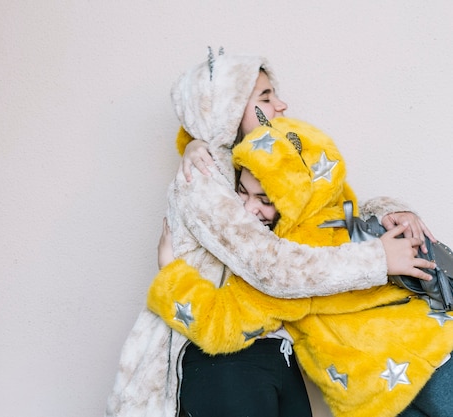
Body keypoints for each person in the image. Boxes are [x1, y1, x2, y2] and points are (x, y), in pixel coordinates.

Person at [105, 50, 433, 417]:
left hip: (276, 351)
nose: (281, 104)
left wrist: (391, 210)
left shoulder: (253, 163)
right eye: (264, 97)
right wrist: (377, 259)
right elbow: (271, 267)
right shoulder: (202, 178)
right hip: (222, 360)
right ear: (227, 107)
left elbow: (326, 210)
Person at [149, 114, 453, 417]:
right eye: (241, 191)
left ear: (295, 197)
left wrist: (171, 275)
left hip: (431, 366)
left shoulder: (287, 264)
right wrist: (194, 144)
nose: (248, 209)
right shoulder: (328, 227)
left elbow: (219, 323)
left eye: (265, 199)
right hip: (388, 391)